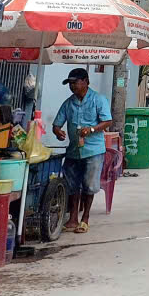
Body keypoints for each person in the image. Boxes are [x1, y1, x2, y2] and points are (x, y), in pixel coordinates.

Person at [51, 68, 112, 234]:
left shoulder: (98, 99)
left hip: (93, 150)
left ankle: (85, 218)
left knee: (89, 185)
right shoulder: (68, 103)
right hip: (73, 151)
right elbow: (56, 124)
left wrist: (91, 130)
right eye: (70, 84)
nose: (72, 86)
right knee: (72, 185)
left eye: (75, 82)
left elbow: (107, 121)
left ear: (85, 81)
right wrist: (58, 132)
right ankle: (72, 219)